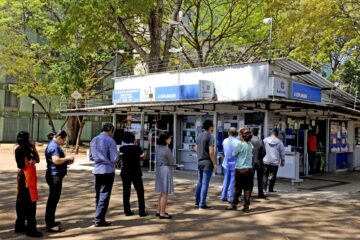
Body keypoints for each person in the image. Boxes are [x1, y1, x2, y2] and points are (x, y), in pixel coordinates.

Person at [45, 130, 75, 232]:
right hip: (55, 176)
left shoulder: (54, 145)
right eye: (64, 139)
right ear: (59, 137)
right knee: (53, 200)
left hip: (55, 175)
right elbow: (56, 160)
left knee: (54, 200)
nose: (64, 141)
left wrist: (66, 161)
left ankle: (51, 221)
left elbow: (58, 160)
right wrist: (66, 158)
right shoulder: (54, 146)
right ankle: (50, 224)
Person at [14, 131, 42, 237]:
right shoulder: (27, 149)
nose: (31, 139)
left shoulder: (18, 149)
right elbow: (37, 159)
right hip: (27, 180)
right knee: (30, 205)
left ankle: (19, 225)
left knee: (20, 202)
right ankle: (31, 230)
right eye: (29, 137)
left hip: (21, 178)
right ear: (26, 139)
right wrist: (33, 147)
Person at [90, 123, 118, 226]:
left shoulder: (94, 139)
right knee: (105, 194)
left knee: (98, 194)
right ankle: (99, 219)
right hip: (107, 170)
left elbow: (91, 156)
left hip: (97, 170)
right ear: (110, 130)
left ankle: (99, 217)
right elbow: (114, 158)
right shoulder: (110, 140)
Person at [119, 131, 148, 217]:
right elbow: (142, 157)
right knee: (140, 191)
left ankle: (127, 211)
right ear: (133, 139)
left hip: (125, 172)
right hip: (136, 171)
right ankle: (142, 211)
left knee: (126, 191)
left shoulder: (122, 148)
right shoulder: (137, 148)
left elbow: (120, 157)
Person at [226, 130, 254, 212]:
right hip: (249, 169)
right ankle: (246, 206)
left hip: (240, 168)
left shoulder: (240, 144)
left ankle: (234, 205)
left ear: (243, 137)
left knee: (237, 187)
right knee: (247, 188)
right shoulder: (250, 145)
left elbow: (234, 154)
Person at [195, 120, 216, 209]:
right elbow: (211, 152)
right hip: (207, 162)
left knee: (199, 182)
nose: (213, 128)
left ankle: (197, 201)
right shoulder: (210, 137)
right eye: (213, 126)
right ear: (210, 127)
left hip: (200, 161)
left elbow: (196, 148)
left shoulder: (199, 135)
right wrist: (215, 164)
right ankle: (202, 203)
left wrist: (201, 154)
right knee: (205, 184)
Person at [155, 132, 175, 219]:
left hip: (159, 169)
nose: (170, 140)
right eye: (169, 138)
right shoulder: (167, 150)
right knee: (165, 193)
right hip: (166, 169)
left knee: (162, 192)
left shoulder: (157, 148)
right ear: (165, 140)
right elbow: (171, 161)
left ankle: (159, 210)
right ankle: (162, 213)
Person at [220, 127, 239, 203]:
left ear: (228, 133)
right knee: (232, 181)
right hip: (235, 163)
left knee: (226, 180)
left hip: (226, 163)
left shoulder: (225, 141)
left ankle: (223, 195)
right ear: (236, 133)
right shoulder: (238, 142)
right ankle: (231, 198)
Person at [250, 128, 267, 198]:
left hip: (251, 162)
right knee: (260, 179)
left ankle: (249, 192)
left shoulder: (249, 141)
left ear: (252, 133)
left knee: (250, 178)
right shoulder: (260, 141)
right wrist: (260, 158)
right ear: (258, 133)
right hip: (259, 162)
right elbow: (264, 152)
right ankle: (260, 193)